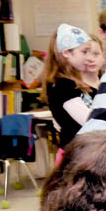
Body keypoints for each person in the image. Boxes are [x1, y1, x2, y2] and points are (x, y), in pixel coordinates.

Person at [41, 23, 94, 156]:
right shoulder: (62, 85)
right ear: (66, 53)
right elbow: (88, 120)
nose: (89, 57)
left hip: (83, 150)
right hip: (77, 154)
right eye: (84, 52)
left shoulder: (71, 82)